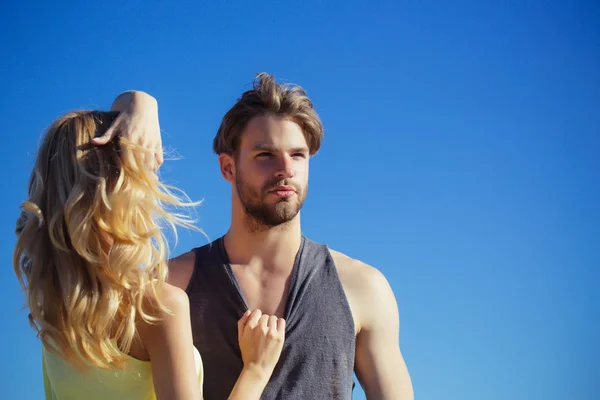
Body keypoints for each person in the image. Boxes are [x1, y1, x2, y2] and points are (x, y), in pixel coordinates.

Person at [97, 73, 414, 399]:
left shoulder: (362, 288)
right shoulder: (171, 283)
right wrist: (136, 103)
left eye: (297, 155)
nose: (285, 169)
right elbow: (93, 298)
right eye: (265, 155)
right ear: (228, 168)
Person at [14, 107, 286, 400]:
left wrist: (139, 104)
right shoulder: (156, 309)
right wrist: (256, 371)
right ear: (122, 188)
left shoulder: (54, 311)